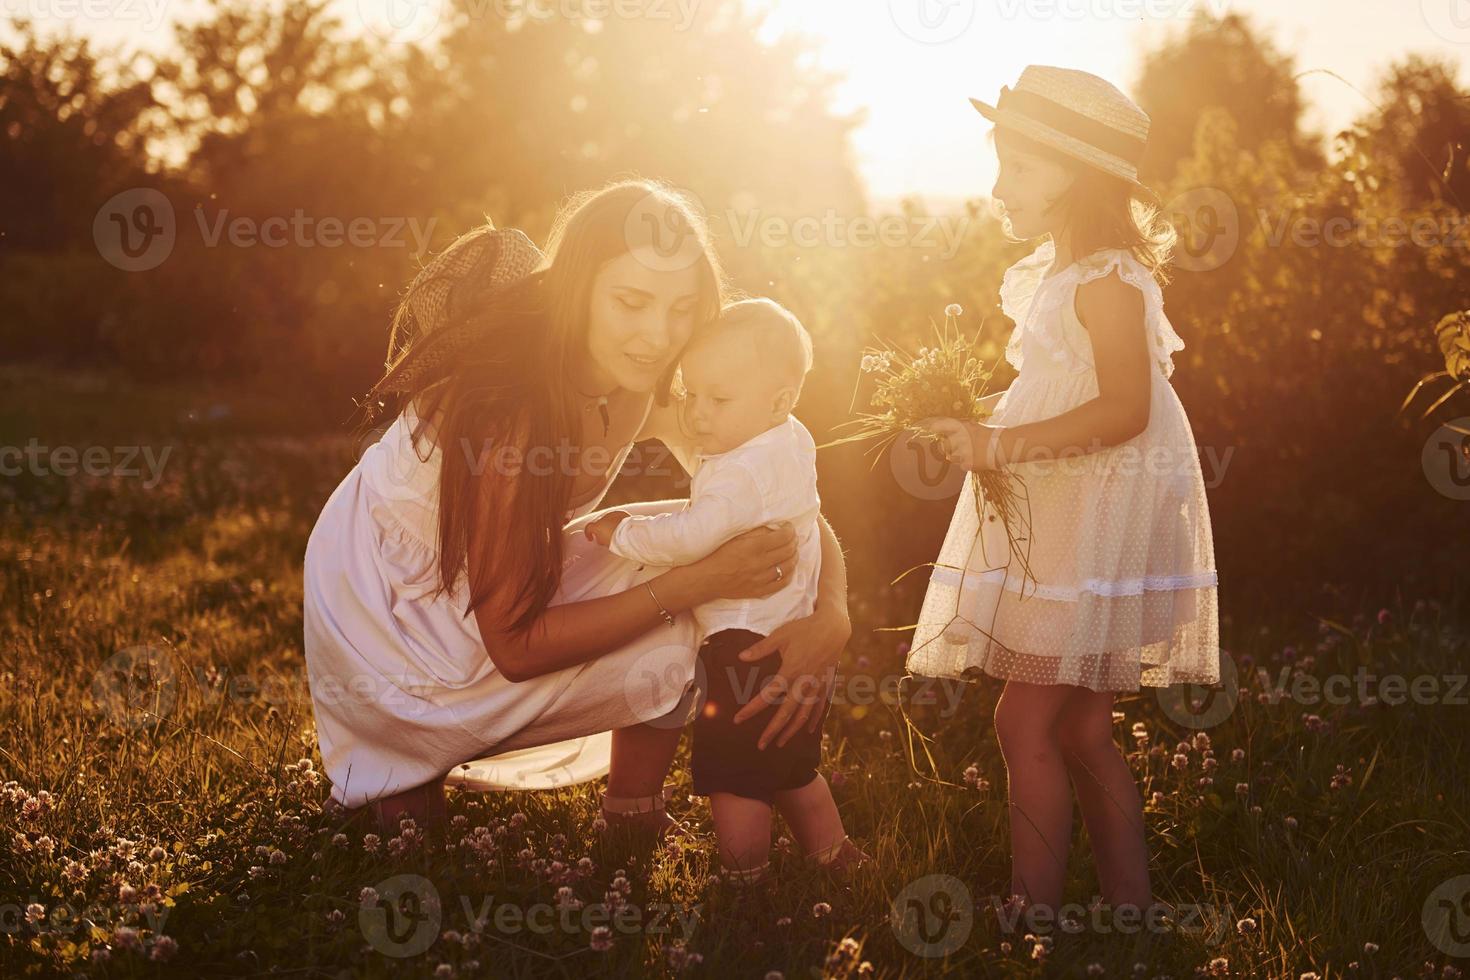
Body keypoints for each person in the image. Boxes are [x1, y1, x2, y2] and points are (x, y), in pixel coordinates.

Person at [302, 179, 852, 833]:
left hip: (496, 574)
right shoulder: (513, 412)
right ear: (578, 290)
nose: (659, 333)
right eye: (631, 301)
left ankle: (633, 816)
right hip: (390, 606)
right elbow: (517, 648)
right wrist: (698, 582)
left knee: (682, 558)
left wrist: (834, 613)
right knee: (407, 817)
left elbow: (773, 496)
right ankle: (406, 741)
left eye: (682, 308)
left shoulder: (652, 377)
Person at [907, 66, 1220, 917]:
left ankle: (1030, 916)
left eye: (1017, 165)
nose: (999, 186)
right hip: (1070, 512)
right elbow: (1063, 391)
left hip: (1091, 523)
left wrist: (1000, 445)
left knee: (1022, 724)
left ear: (1075, 174)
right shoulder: (1063, 273)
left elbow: (1124, 408)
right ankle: (1130, 908)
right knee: (1079, 728)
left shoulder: (1108, 280)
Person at [586, 298, 867, 885]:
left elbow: (690, 537)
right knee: (791, 766)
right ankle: (836, 856)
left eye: (718, 400)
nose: (697, 415)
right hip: (793, 636)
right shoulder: (790, 437)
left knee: (735, 776)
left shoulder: (739, 473)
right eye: (690, 395)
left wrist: (623, 533)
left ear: (779, 399)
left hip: (742, 644)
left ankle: (745, 880)